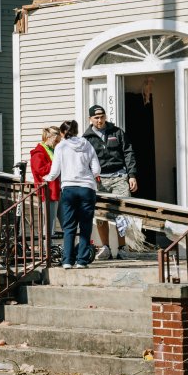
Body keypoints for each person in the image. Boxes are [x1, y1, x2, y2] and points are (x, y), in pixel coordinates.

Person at [82, 104, 139, 260]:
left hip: (119, 177)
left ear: (105, 116)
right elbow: (83, 161)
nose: (99, 120)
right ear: (90, 119)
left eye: (102, 117)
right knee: (101, 215)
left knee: (122, 213)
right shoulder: (86, 138)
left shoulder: (117, 132)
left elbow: (128, 153)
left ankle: (122, 248)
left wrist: (132, 175)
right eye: (96, 118)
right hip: (98, 180)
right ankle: (106, 247)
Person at [43, 119, 101, 269]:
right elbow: (96, 168)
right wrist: (94, 176)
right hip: (87, 188)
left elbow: (55, 172)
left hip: (69, 188)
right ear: (76, 131)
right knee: (85, 226)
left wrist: (46, 179)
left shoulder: (61, 146)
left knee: (69, 227)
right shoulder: (86, 144)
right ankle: (82, 261)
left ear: (62, 133)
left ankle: (67, 261)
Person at [29, 125, 63, 237]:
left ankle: (72, 247)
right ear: (49, 138)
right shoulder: (38, 153)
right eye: (57, 141)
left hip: (58, 190)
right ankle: (47, 249)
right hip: (49, 192)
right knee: (50, 222)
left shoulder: (52, 151)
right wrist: (57, 163)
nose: (58, 143)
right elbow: (41, 170)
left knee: (67, 221)